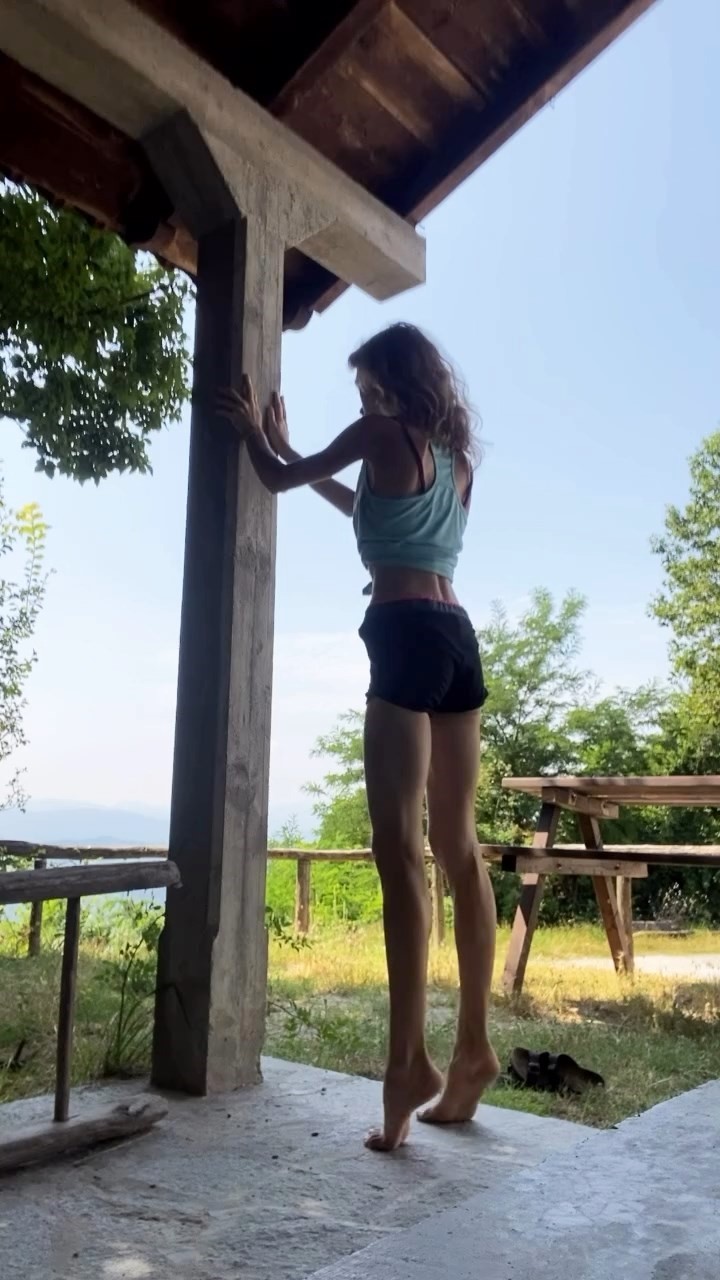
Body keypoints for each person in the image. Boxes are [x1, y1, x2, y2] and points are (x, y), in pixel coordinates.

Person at [218, 323, 499, 1152]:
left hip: (404, 633)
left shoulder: (381, 434)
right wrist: (294, 449)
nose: (366, 401)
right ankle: (473, 1049)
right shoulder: (456, 462)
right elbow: (370, 512)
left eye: (370, 387)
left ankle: (407, 1064)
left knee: (397, 851)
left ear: (392, 382)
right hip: (457, 638)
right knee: (459, 849)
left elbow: (275, 478)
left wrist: (256, 434)